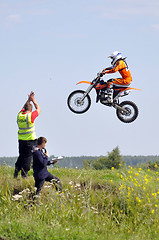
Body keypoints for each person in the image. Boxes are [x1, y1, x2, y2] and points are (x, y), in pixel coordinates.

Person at [14, 91, 41, 178]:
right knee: (28, 159)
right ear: (30, 110)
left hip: (21, 140)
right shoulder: (30, 116)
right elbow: (39, 109)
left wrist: (28, 100)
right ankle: (24, 175)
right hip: (30, 141)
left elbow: (24, 107)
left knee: (22, 156)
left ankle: (16, 170)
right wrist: (34, 101)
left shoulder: (19, 115)